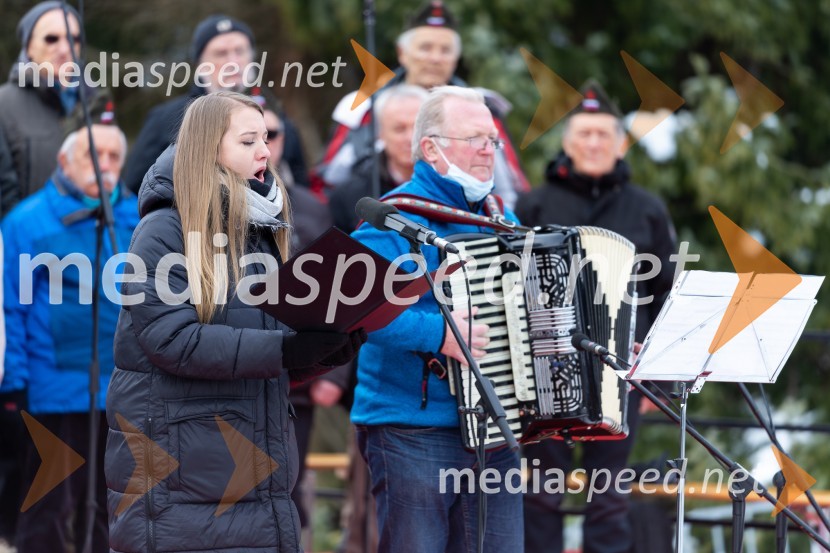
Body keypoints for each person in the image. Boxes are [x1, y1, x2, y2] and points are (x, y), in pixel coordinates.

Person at [105, 91, 365, 553]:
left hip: (254, 465)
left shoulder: (260, 231)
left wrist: (319, 351)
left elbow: (260, 350)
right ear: (209, 150)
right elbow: (173, 340)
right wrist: (286, 351)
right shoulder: (163, 230)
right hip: (182, 471)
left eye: (265, 138)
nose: (265, 151)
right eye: (248, 141)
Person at [350, 85, 523, 552]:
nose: (490, 150)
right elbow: (359, 309)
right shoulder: (392, 218)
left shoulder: (501, 217)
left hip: (495, 423)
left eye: (494, 140)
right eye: (476, 139)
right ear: (431, 148)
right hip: (412, 425)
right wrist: (442, 333)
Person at [515, 80, 678, 553]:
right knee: (543, 488)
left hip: (625, 375)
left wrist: (659, 378)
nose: (593, 143)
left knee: (609, 493)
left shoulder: (647, 208)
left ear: (620, 143)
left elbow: (666, 291)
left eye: (603, 135)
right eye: (583, 134)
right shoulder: (534, 205)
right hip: (549, 368)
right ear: (567, 142)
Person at [2, 111, 139, 553]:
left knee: (116, 508)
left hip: (122, 391)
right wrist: (15, 382)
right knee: (50, 507)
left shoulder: (138, 218)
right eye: (92, 154)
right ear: (64, 160)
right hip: (52, 390)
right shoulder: (28, 221)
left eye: (114, 155)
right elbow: (10, 308)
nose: (104, 164)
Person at [315, 0, 528, 207]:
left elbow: (511, 186)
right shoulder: (362, 108)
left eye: (445, 50)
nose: (435, 58)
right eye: (425, 48)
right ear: (402, 53)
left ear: (456, 57)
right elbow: (327, 183)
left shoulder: (482, 110)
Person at [122, 14, 308, 193]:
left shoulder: (275, 118)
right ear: (201, 63)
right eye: (221, 53)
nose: (233, 62)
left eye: (240, 51)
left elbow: (300, 184)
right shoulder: (166, 119)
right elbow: (136, 186)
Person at [0, 1, 111, 217]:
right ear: (28, 46)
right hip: (29, 242)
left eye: (74, 39)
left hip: (93, 243)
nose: (64, 48)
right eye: (52, 39)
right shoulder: (4, 104)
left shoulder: (96, 103)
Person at [328, 84, 428, 233]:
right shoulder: (349, 195)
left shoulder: (453, 184)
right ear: (380, 133)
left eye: (417, 128)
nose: (410, 138)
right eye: (399, 129)